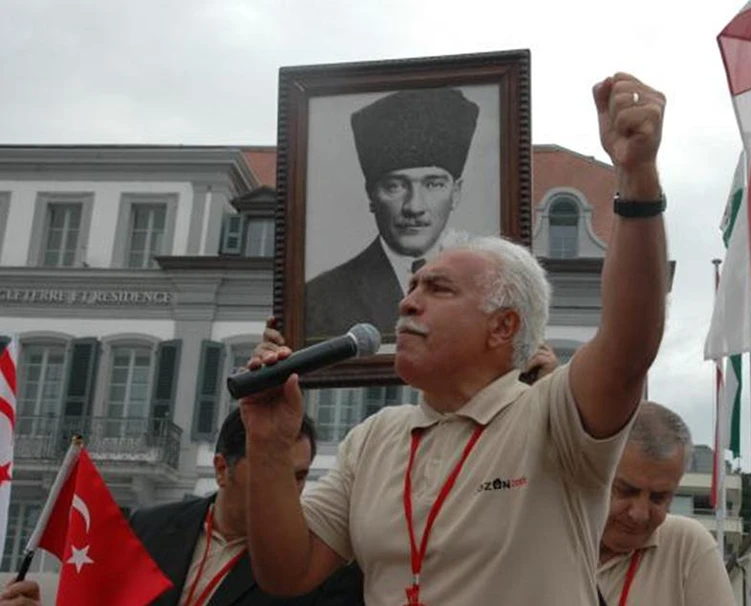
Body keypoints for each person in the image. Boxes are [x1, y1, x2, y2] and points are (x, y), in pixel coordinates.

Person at [242, 72, 669, 606]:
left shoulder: (553, 417)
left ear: (503, 325)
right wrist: (268, 443)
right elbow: (288, 572)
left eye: (437, 288)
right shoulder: (373, 438)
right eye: (413, 284)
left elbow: (628, 346)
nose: (407, 301)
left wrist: (637, 180)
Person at [128, 408, 363, 606]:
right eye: (272, 472)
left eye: (299, 476)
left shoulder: (323, 568)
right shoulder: (147, 528)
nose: (289, 490)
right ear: (222, 469)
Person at [305, 87, 480, 343]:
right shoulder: (319, 299)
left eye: (433, 184)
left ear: (456, 192)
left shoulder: (488, 289)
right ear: (371, 195)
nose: (414, 207)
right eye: (395, 186)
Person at [596, 402, 736, 606]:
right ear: (594, 474)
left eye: (658, 498)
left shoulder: (687, 547)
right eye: (626, 491)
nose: (640, 513)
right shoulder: (545, 538)